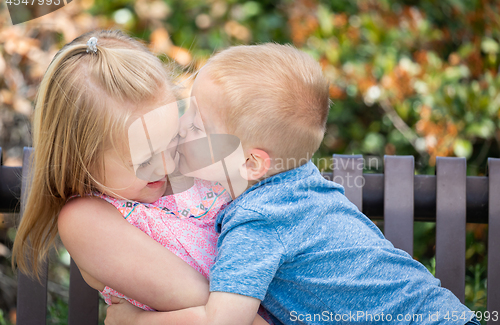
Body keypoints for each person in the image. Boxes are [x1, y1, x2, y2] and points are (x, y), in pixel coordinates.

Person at [105, 43, 479, 325]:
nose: (181, 128)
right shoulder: (300, 183)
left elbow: (223, 320)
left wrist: (137, 321)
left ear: (251, 162)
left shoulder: (259, 220)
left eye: (198, 127)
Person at [11, 30, 269, 324]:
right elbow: (231, 318)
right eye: (144, 159)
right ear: (81, 160)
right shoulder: (87, 220)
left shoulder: (197, 168)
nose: (166, 164)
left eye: (172, 138)